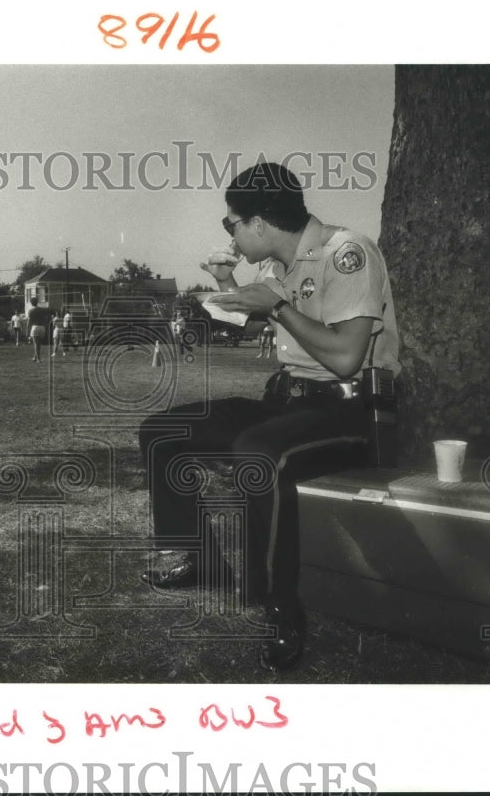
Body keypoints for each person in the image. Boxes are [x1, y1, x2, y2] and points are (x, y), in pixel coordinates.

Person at [138, 161, 400, 673]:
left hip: (348, 409)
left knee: (258, 454)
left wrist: (277, 308)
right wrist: (229, 284)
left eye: (230, 223)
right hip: (289, 400)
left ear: (259, 223)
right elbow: (253, 317)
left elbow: (346, 357)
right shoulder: (275, 268)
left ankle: (281, 608)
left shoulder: (346, 253)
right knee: (163, 432)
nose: (229, 234)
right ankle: (202, 561)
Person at [26, 298, 52, 363]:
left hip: (35, 327)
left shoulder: (31, 311)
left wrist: (27, 331)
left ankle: (38, 358)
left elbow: (29, 323)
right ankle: (35, 357)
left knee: (36, 344)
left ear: (31, 303)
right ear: (37, 302)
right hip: (42, 327)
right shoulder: (42, 310)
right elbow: (47, 317)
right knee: (38, 344)